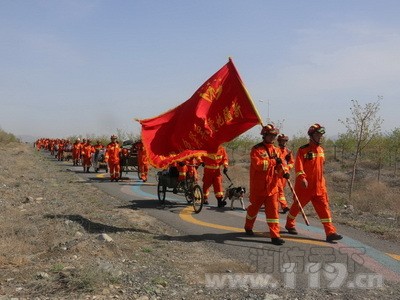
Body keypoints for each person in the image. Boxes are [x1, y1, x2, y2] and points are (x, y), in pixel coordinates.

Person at [285, 123, 343, 243]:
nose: (320, 137)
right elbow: (298, 167)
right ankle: (289, 223)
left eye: (321, 134)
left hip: (319, 188)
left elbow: (321, 167)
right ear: (311, 135)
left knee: (325, 209)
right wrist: (302, 178)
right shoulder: (303, 150)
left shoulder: (321, 150)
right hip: (305, 187)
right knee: (297, 206)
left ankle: (330, 232)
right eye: (318, 134)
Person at [244, 124, 290, 246]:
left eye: (274, 135)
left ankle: (275, 236)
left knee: (273, 213)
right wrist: (274, 161)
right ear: (264, 135)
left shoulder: (276, 150)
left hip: (272, 187)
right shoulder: (256, 149)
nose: (273, 137)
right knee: (253, 210)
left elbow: (280, 166)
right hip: (258, 187)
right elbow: (259, 165)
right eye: (270, 135)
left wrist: (284, 172)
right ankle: (248, 226)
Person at [277, 134, 294, 214]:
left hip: (285, 175)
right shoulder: (276, 150)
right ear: (279, 141)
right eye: (282, 141)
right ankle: (284, 206)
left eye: (285, 141)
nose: (284, 142)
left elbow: (292, 162)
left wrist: (287, 168)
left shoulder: (288, 151)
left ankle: (272, 204)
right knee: (280, 191)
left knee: (280, 191)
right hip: (276, 175)